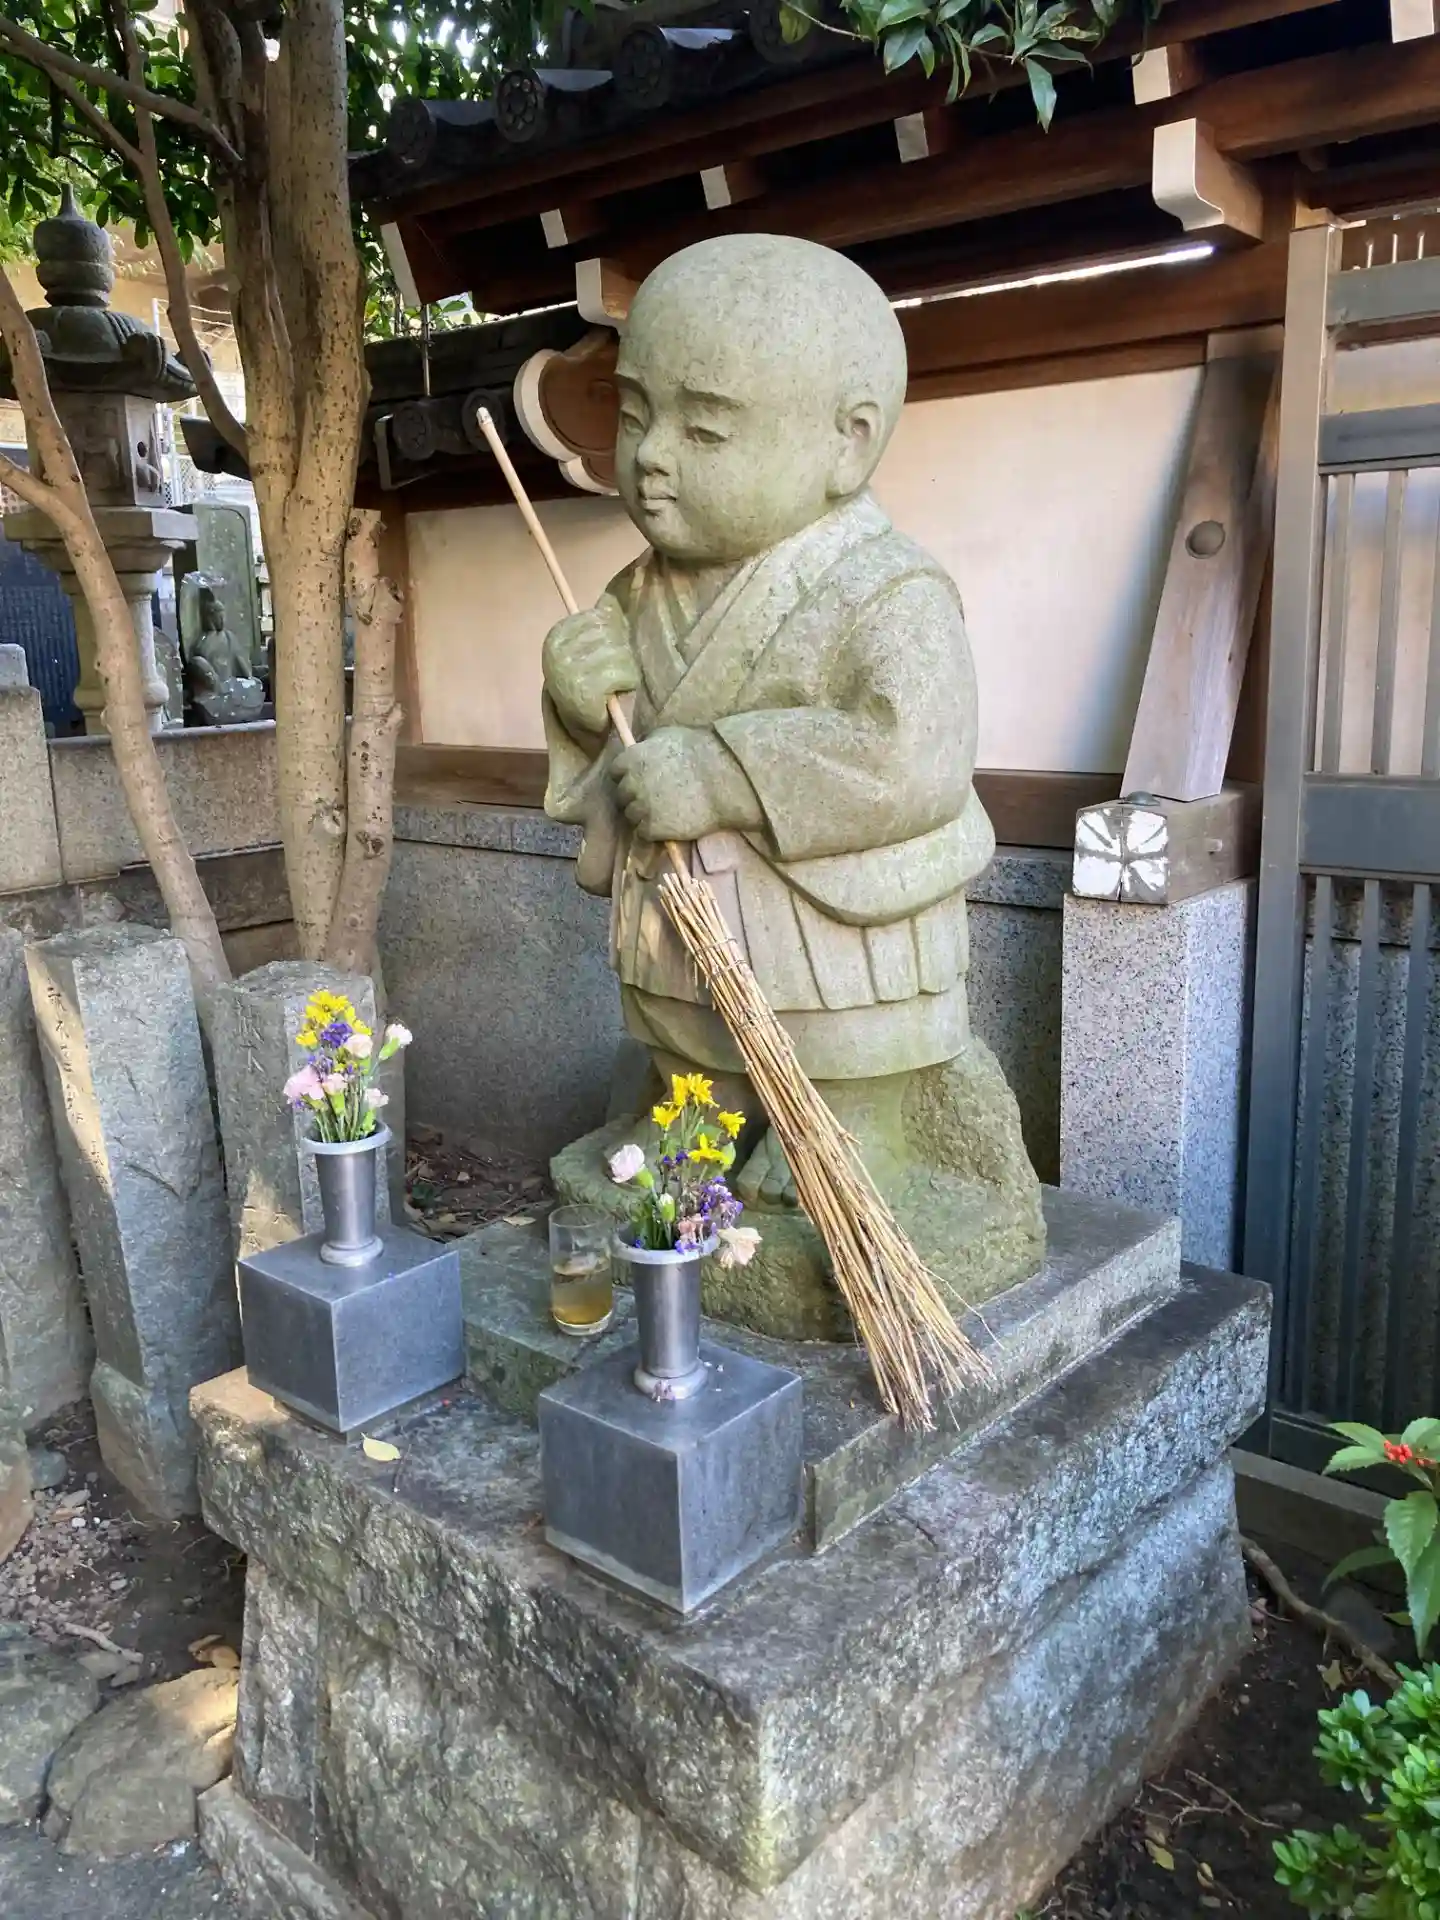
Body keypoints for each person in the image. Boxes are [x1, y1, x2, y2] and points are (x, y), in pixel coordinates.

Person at [542, 233, 996, 1207]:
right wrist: (582, 707)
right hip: (682, 909)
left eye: (704, 431)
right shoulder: (636, 591)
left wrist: (723, 772)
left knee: (836, 1022)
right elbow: (614, 733)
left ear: (849, 441)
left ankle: (850, 1128)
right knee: (680, 1020)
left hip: (824, 915)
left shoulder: (888, 591)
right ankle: (698, 1108)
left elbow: (913, 755)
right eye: (635, 415)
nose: (650, 456)